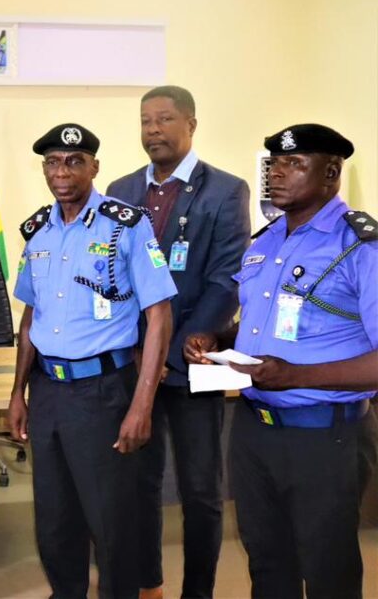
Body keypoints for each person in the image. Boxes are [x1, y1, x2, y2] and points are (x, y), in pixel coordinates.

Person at [185, 124, 377, 599]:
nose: (276, 173)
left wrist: (294, 376)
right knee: (267, 564)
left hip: (324, 435)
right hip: (255, 431)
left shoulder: (359, 246)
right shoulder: (266, 241)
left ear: (331, 173)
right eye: (274, 164)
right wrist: (218, 338)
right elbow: (260, 322)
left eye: (294, 163)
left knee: (328, 570)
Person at [7, 123, 177, 599]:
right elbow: (31, 317)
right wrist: (18, 392)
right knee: (55, 521)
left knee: (111, 522)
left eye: (74, 161)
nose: (62, 172)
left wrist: (141, 405)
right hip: (48, 392)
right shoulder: (37, 231)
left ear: (94, 167)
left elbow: (159, 316)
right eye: (52, 162)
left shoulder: (127, 225)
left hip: (104, 392)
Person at [106, 85, 250, 599]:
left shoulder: (225, 190)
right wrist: (140, 355)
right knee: (138, 483)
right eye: (146, 120)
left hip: (192, 361)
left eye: (165, 119)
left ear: (191, 124)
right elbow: (111, 275)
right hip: (132, 363)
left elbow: (227, 279)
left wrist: (170, 351)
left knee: (201, 490)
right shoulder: (121, 190)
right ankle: (149, 585)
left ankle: (198, 591)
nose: (153, 130)